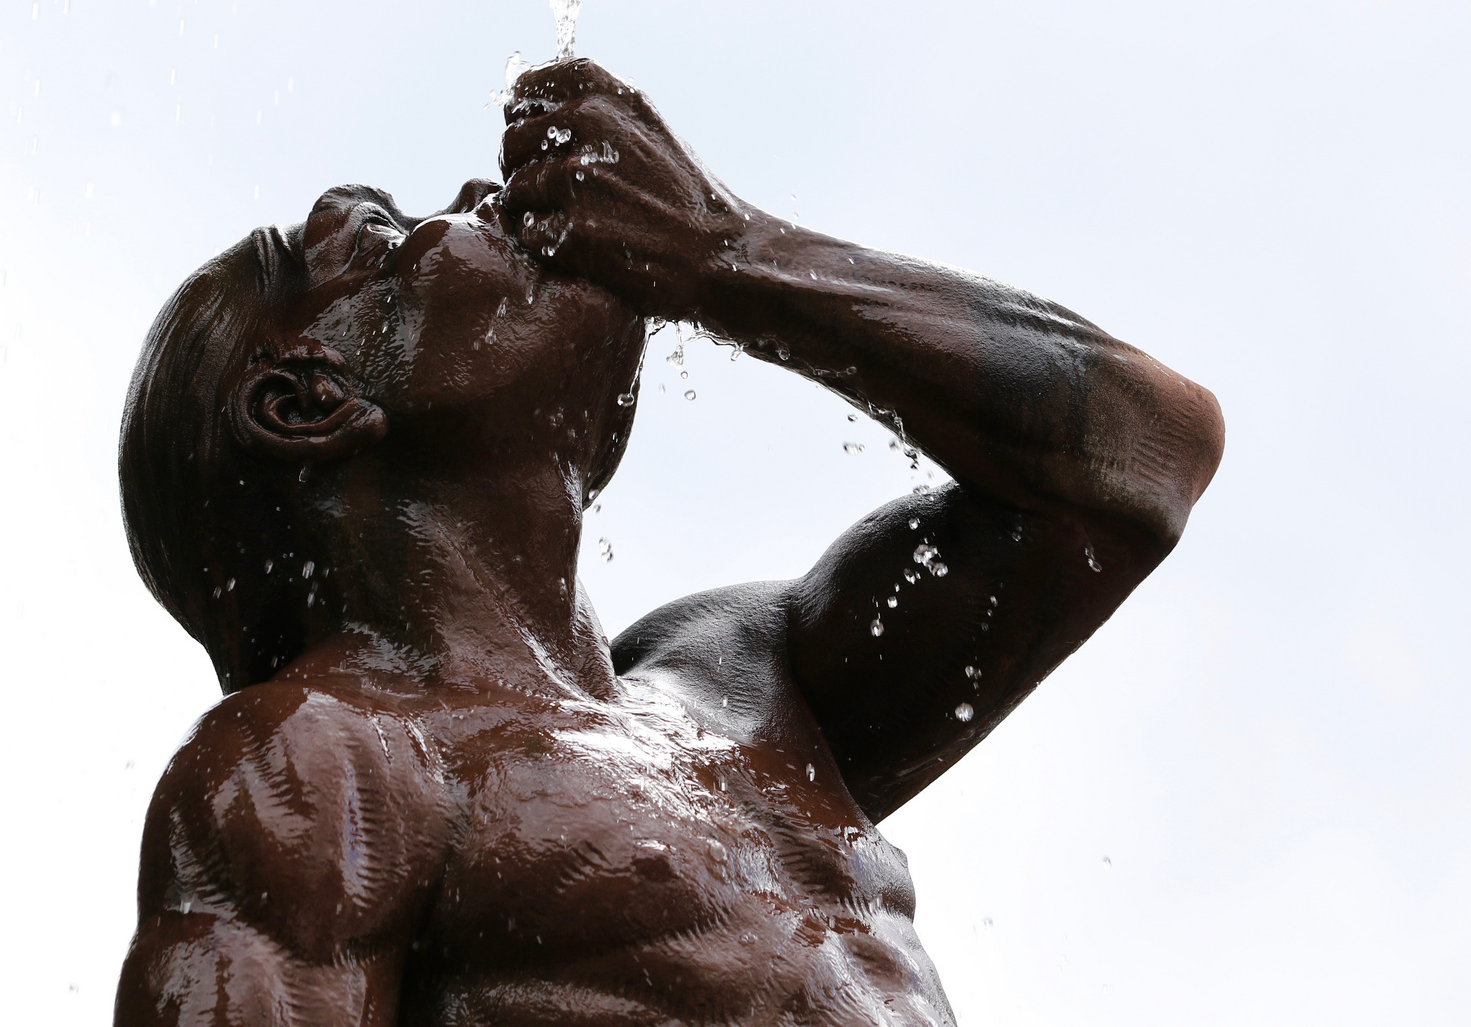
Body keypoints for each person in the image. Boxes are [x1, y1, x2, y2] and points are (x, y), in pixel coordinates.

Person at [115, 58, 1224, 1026]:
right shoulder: (313, 763)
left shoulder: (744, 676)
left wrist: (722, 250)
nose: (466, 197)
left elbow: (1140, 460)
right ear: (308, 402)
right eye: (388, 239)